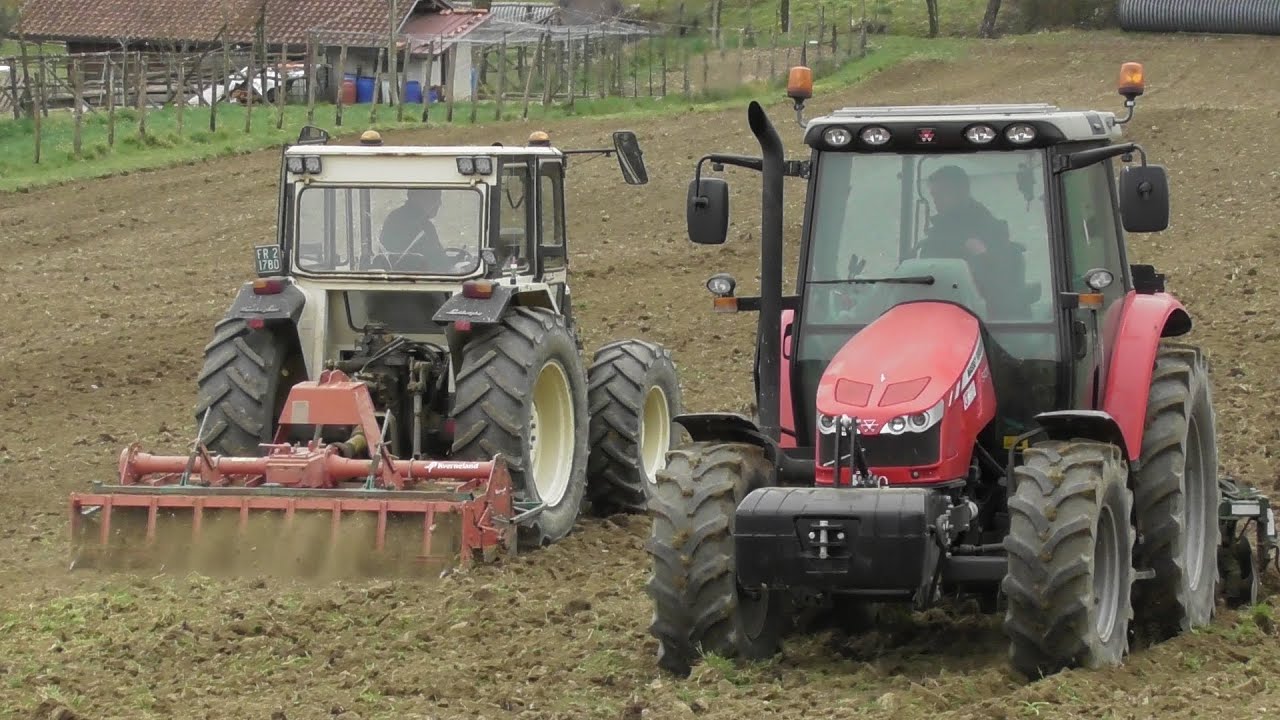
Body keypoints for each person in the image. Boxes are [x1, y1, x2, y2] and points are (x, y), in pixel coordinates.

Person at [916, 165, 1031, 317]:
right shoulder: (938, 235)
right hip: (942, 314)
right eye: (934, 195)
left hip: (983, 320)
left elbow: (1000, 286)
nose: (936, 201)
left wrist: (981, 256)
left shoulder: (991, 233)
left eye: (942, 194)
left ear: (961, 192)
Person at [377, 189, 447, 270]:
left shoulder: (393, 217)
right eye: (434, 197)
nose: (439, 203)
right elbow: (439, 262)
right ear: (416, 197)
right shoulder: (423, 225)